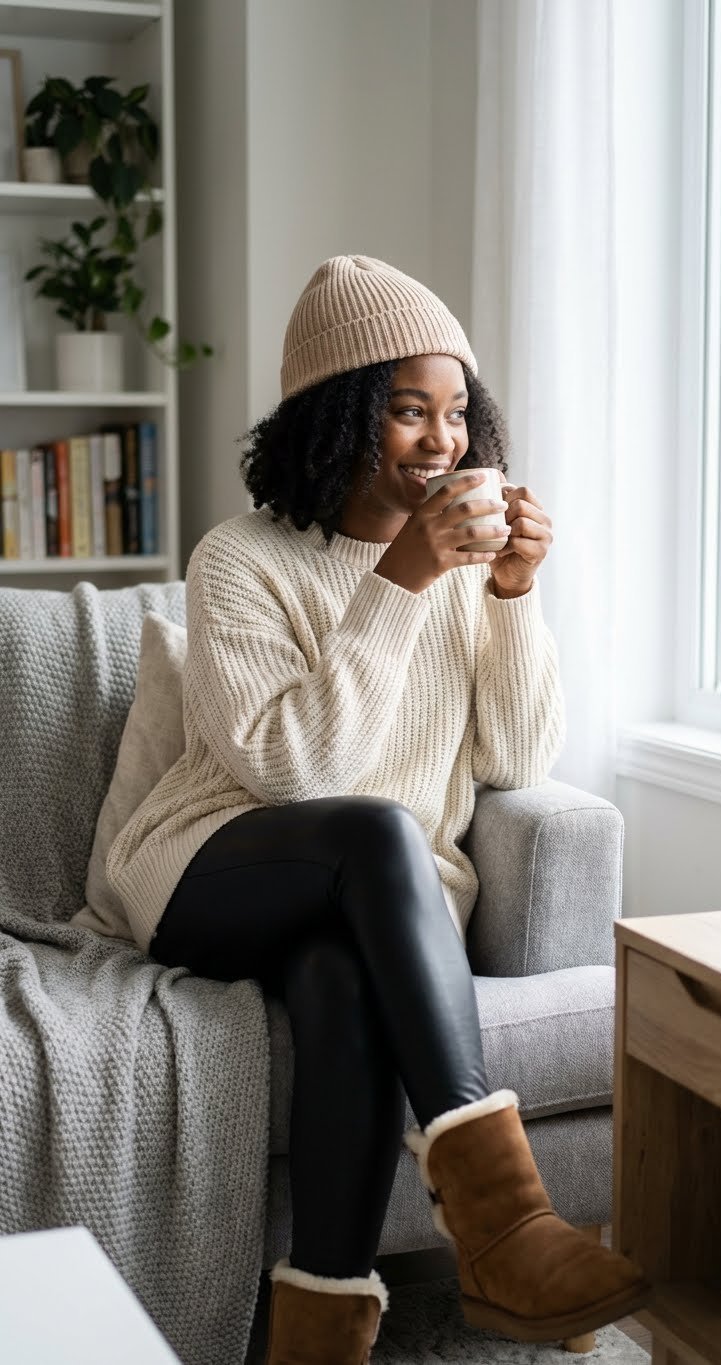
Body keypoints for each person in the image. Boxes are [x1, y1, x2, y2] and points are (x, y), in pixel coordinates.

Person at [105, 255, 649, 1364]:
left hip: (368, 905)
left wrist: (509, 599)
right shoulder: (242, 561)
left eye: (457, 413)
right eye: (408, 411)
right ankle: (499, 1221)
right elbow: (294, 773)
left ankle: (319, 1331)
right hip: (206, 871)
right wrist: (398, 581)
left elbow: (518, 755)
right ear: (341, 414)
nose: (441, 440)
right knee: (374, 828)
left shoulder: (459, 565)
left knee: (340, 983)